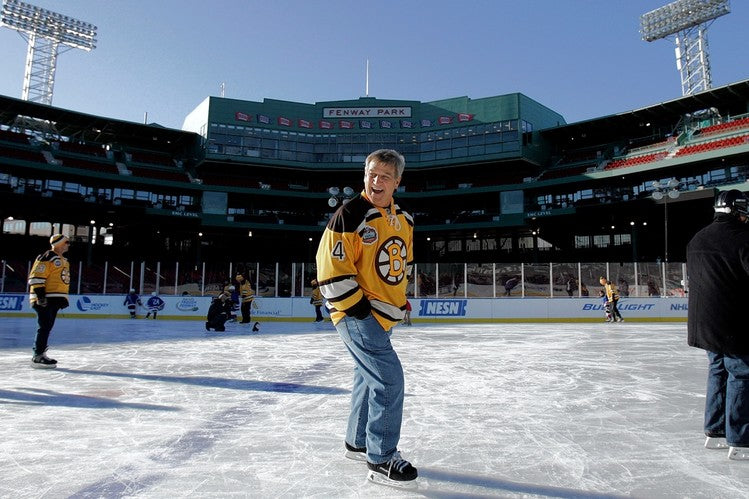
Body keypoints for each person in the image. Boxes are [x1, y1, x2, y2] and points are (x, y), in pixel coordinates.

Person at [315, 149, 418, 487]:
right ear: (364, 176)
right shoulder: (349, 214)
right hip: (357, 314)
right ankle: (382, 456)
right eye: (372, 174)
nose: (377, 181)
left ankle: (358, 441)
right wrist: (360, 312)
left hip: (384, 317)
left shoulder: (405, 220)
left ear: (397, 182)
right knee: (389, 380)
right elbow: (331, 271)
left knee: (367, 376)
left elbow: (398, 265)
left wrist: (400, 302)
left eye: (385, 176)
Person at [686, 189, 749, 460]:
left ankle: (714, 431)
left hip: (705, 322)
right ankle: (741, 439)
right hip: (733, 321)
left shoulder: (697, 238)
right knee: (742, 374)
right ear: (738, 210)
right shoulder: (743, 238)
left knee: (719, 369)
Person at [27, 234, 71, 368]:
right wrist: (40, 296)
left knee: (47, 327)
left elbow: (61, 281)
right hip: (46, 298)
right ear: (59, 244)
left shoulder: (63, 260)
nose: (68, 245)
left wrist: (62, 298)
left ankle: (40, 354)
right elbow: (36, 277)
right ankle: (38, 355)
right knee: (45, 326)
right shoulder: (48, 257)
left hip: (54, 298)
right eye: (66, 242)